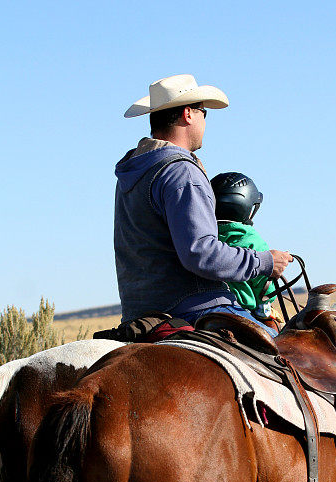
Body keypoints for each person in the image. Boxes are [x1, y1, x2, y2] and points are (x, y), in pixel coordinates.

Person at [114, 74, 292, 336]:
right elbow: (201, 253)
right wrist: (264, 262)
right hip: (195, 306)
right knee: (293, 361)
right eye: (203, 113)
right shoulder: (181, 172)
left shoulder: (135, 172)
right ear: (188, 114)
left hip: (140, 312)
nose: (205, 121)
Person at [211, 172, 282, 332]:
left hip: (203, 307)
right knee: (281, 348)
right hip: (240, 311)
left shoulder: (205, 234)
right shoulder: (252, 240)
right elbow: (267, 288)